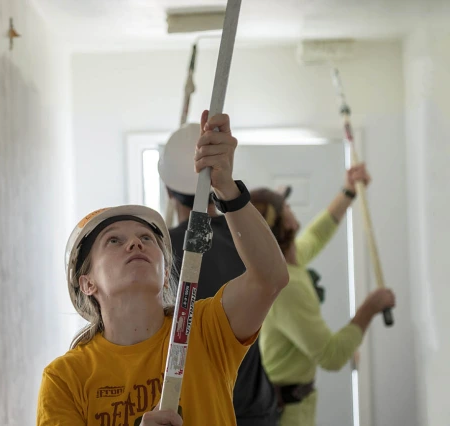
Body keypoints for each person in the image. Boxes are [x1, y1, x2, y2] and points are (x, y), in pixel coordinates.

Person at [36, 110, 289, 426]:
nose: (135, 244)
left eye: (145, 238)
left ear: (166, 269)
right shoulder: (65, 378)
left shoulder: (206, 332)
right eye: (114, 241)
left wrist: (226, 187)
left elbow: (270, 279)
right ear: (87, 283)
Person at [251, 165, 396, 426]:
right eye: (286, 207)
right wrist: (369, 308)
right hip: (287, 414)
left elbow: (315, 236)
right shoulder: (286, 286)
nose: (291, 209)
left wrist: (348, 193)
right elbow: (332, 356)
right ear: (284, 223)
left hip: (295, 403)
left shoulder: (286, 264)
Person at [157, 122, 280, 426]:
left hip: (193, 410)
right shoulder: (248, 242)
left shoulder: (157, 251)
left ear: (169, 189)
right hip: (252, 408)